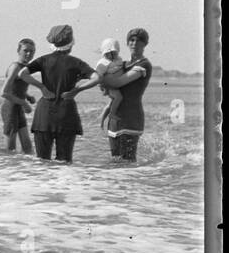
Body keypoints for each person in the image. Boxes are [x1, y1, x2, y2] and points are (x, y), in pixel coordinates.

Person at [17, 24, 98, 163]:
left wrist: (42, 87)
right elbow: (98, 77)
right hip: (66, 115)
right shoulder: (76, 63)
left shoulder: (43, 60)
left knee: (42, 162)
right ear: (70, 43)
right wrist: (77, 90)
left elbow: (22, 73)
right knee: (65, 162)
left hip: (44, 116)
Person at [106, 28, 153, 161]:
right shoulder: (123, 65)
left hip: (131, 118)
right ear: (127, 43)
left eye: (139, 41)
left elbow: (117, 83)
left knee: (127, 162)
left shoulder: (144, 65)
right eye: (131, 40)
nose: (134, 43)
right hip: (115, 119)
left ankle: (132, 182)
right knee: (115, 161)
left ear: (145, 44)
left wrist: (100, 79)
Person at [0, 38, 40, 153]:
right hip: (10, 108)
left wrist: (27, 96)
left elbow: (15, 88)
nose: (29, 54)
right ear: (18, 51)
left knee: (27, 147)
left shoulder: (24, 68)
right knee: (10, 149)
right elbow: (4, 92)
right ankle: (6, 169)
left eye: (32, 51)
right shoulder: (15, 67)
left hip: (18, 108)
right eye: (25, 50)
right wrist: (24, 103)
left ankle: (30, 170)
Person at [93, 38, 137, 131]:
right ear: (104, 53)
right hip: (109, 86)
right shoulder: (103, 63)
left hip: (116, 84)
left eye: (114, 53)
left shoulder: (118, 60)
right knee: (118, 97)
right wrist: (102, 87)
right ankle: (112, 114)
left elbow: (123, 66)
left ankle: (101, 122)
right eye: (109, 54)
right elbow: (98, 75)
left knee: (110, 103)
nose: (112, 56)